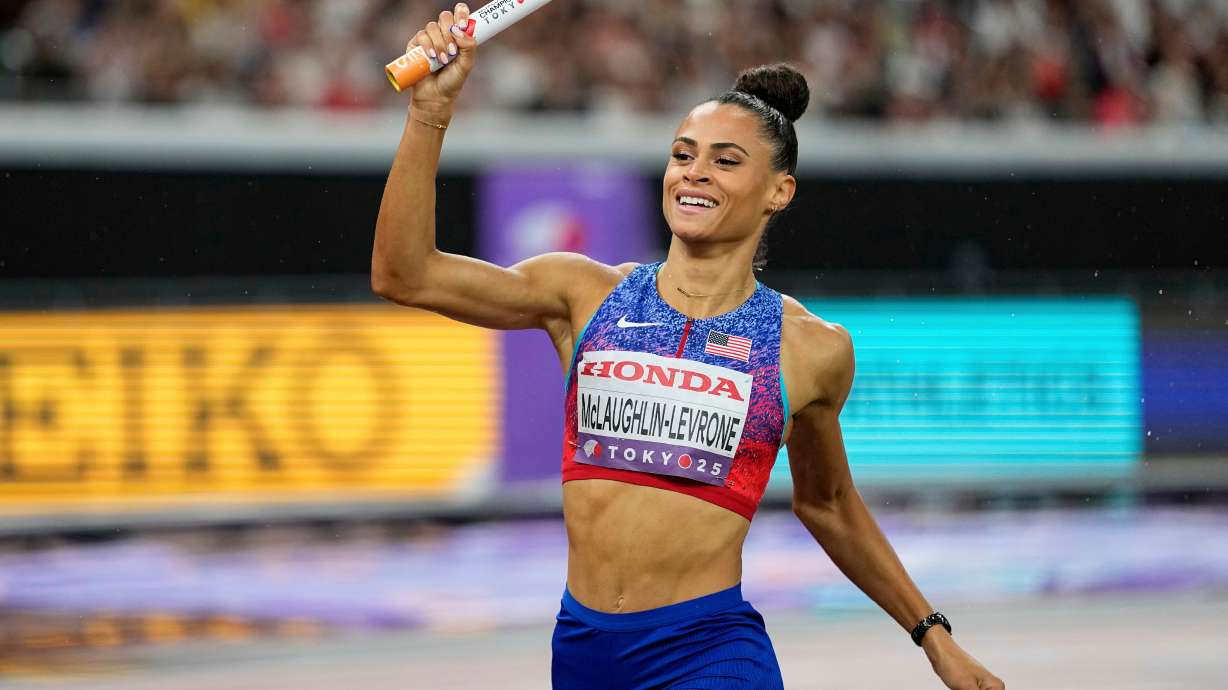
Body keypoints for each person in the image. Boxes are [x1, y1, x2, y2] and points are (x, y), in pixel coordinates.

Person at [372, 5, 1006, 689]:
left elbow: (828, 504)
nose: (695, 173)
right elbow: (405, 274)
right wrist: (430, 112)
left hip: (708, 652)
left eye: (725, 161)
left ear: (779, 191)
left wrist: (933, 636)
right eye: (683, 155)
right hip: (582, 651)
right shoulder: (583, 293)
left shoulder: (809, 349)